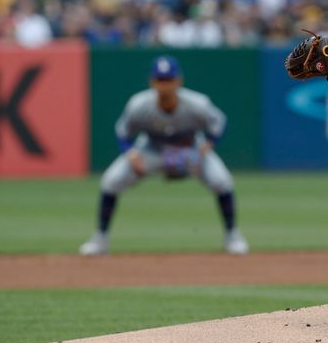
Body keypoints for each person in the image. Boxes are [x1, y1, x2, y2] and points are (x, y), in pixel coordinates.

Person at [79, 55, 249, 256]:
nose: (164, 85)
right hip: (152, 150)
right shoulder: (139, 104)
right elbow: (122, 131)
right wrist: (130, 153)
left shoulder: (197, 103)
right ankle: (100, 239)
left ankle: (233, 236)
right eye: (160, 80)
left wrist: (208, 145)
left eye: (169, 80)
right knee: (111, 181)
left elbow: (219, 123)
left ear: (179, 81)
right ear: (152, 82)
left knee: (222, 181)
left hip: (190, 151)